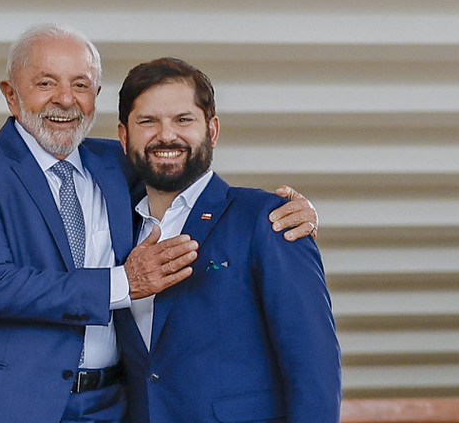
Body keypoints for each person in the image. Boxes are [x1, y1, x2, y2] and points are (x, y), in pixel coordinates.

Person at [0, 23, 319, 423]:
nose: (65, 99)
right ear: (11, 94)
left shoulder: (117, 165)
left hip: (111, 406)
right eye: (46, 83)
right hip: (6, 405)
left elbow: (189, 183)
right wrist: (124, 283)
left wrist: (290, 211)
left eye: (80, 85)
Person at [114, 57, 341, 422]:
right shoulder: (114, 226)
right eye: (148, 121)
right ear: (124, 136)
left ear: (212, 130)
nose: (166, 135)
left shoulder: (268, 219)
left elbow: (313, 369)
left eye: (183, 119)